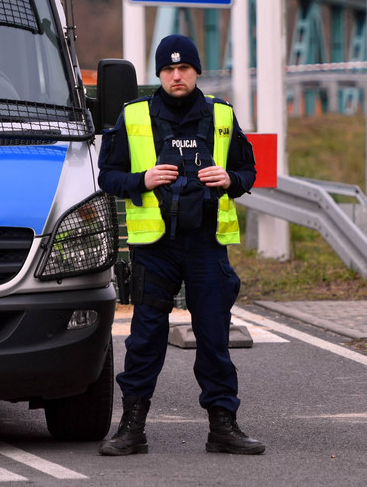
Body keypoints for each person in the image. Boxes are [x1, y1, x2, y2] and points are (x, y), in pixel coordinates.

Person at [97, 34, 264, 456]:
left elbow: (247, 170)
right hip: (157, 248)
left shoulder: (222, 115)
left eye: (184, 68)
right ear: (159, 74)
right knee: (145, 339)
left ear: (196, 72)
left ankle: (223, 427)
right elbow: (108, 176)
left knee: (214, 340)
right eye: (169, 69)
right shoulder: (133, 116)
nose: (176, 75)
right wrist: (142, 180)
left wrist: (231, 180)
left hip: (207, 245)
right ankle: (131, 429)